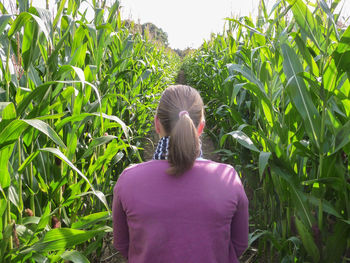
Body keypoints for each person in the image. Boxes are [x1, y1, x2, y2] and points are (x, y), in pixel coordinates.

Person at [112, 85, 249, 263]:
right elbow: (239, 244)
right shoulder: (228, 178)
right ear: (201, 127)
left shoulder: (128, 180)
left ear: (157, 124)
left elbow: (123, 245)